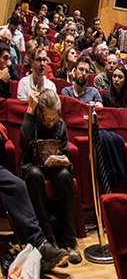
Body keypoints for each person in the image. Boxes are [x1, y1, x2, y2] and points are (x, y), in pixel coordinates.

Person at [19, 89, 81, 263]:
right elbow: (23, 143)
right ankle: (48, 239)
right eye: (48, 119)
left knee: (64, 175)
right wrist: (30, 112)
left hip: (53, 168)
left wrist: (65, 161)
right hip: (33, 166)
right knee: (34, 174)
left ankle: (70, 240)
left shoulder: (59, 124)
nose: (51, 122)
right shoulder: (32, 118)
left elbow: (66, 150)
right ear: (40, 112)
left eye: (54, 118)